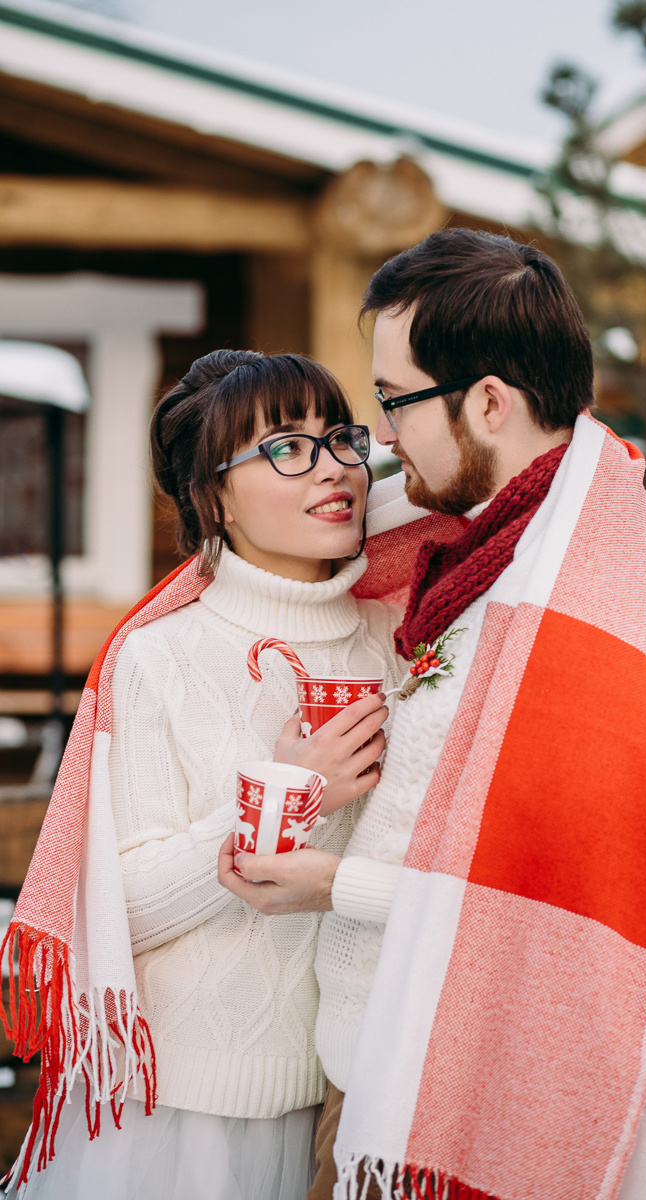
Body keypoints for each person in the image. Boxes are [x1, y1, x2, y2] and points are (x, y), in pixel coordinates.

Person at [220, 230, 646, 1200]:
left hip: (466, 1119)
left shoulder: (581, 629)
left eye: (393, 401)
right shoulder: (470, 564)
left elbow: (556, 910)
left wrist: (333, 882)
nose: (378, 439)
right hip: (379, 1081)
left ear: (487, 401)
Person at [1, 350, 406, 1200]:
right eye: (286, 447)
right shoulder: (159, 657)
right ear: (213, 495)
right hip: (185, 1110)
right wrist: (288, 797)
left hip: (354, 1097)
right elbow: (121, 906)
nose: (332, 467)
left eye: (340, 438)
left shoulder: (400, 638)